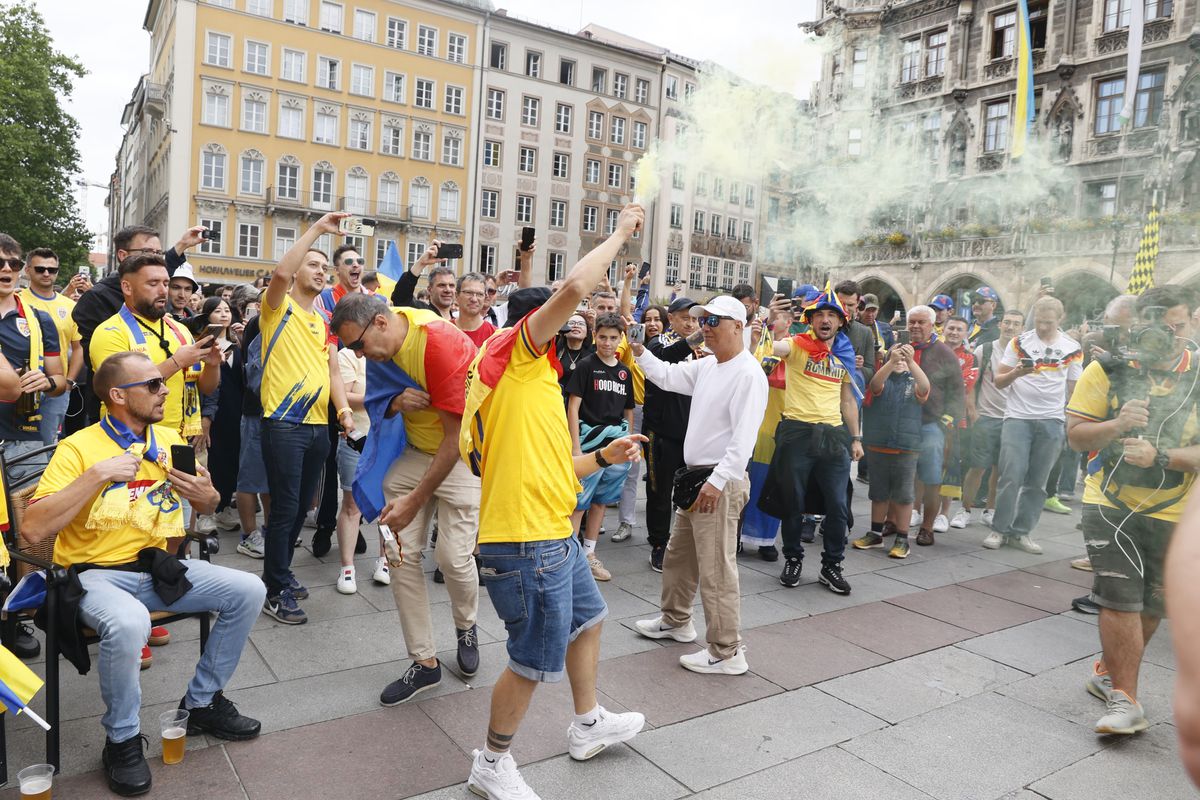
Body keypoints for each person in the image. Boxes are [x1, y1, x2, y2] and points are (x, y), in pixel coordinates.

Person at [459, 204, 647, 800]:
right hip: (524, 543)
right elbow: (575, 286)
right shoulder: (514, 356)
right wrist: (619, 233)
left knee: (588, 621)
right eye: (564, 323)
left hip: (551, 532)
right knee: (532, 660)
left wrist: (603, 458)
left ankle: (588, 724)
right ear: (532, 326)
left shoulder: (523, 379)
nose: (576, 327)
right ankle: (492, 762)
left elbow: (551, 468)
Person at [22, 351, 265, 797]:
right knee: (130, 620)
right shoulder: (80, 447)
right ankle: (121, 740)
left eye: (163, 383)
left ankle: (202, 703)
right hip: (95, 576)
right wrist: (95, 476)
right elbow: (33, 527)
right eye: (153, 385)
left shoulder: (168, 438)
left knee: (250, 588)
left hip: (159, 569)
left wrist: (206, 496)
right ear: (117, 395)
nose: (166, 390)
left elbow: (206, 507)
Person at [330, 290, 482, 704]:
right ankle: (425, 662)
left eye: (358, 345)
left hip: (462, 457)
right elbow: (380, 400)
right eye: (350, 349)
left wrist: (416, 499)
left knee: (454, 559)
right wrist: (395, 401)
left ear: (380, 322)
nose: (360, 356)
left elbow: (454, 440)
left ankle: (466, 626)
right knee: (399, 556)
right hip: (414, 454)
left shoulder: (437, 341)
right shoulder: (383, 341)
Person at [1067, 286, 1198, 736]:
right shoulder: (1107, 368)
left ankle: (1107, 670)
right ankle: (1126, 700)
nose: (1167, 335)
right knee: (1119, 596)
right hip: (1109, 501)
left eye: (1175, 326)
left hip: (1178, 509)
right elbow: (1076, 436)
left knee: (1153, 603)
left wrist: (1163, 457)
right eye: (1156, 325)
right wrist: (1118, 425)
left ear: (1191, 322)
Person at [632, 295, 768, 674]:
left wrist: (718, 482)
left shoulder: (748, 373)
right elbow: (666, 376)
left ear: (738, 326)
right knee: (679, 556)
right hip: (698, 479)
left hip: (717, 482)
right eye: (703, 321)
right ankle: (676, 621)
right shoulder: (709, 366)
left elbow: (743, 440)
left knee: (716, 569)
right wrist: (640, 349)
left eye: (714, 321)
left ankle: (727, 652)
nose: (705, 327)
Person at [258, 213, 355, 625]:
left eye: (323, 267)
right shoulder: (276, 308)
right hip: (284, 423)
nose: (320, 271)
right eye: (312, 265)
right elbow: (280, 272)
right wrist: (317, 230)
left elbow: (333, 372)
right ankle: (273, 589)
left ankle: (279, 572)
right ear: (296, 271)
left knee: (301, 508)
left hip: (319, 426)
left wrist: (345, 412)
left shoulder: (321, 321)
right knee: (284, 509)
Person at [759, 286, 863, 593]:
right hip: (796, 432)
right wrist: (770, 322)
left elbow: (848, 401)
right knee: (793, 502)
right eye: (820, 315)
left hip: (833, 435)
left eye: (832, 314)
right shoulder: (797, 344)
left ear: (842, 321)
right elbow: (771, 350)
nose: (825, 320)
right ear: (811, 320)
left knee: (838, 505)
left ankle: (832, 565)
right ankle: (793, 559)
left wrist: (856, 438)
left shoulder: (843, 354)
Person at [985, 296, 1082, 554]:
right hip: (1018, 418)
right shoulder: (1020, 343)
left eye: (1048, 323)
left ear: (1060, 319)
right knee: (1011, 475)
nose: (1042, 327)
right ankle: (999, 528)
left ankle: (1022, 532)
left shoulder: (1072, 347)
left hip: (1052, 420)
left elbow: (1074, 389)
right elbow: (999, 380)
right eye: (1039, 321)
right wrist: (1017, 372)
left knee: (1038, 482)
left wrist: (1069, 418)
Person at [566, 313, 636, 581]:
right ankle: (570, 557)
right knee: (579, 502)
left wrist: (629, 440)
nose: (607, 342)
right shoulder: (586, 365)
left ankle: (589, 554)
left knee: (602, 501)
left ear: (620, 340)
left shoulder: (623, 372)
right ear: (595, 336)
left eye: (613, 338)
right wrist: (575, 446)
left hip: (616, 444)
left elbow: (628, 410)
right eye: (603, 337)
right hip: (589, 443)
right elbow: (573, 406)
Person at [0, 235, 70, 481]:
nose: (7, 269)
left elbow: (59, 382)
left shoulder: (39, 319)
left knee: (25, 518)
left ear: (20, 270)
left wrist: (47, 383)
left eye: (13, 263)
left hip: (23, 439)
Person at [852, 337, 930, 555]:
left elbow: (925, 386)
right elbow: (875, 385)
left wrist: (912, 362)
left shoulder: (913, 383)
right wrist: (890, 361)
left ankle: (902, 538)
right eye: (895, 357)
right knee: (878, 493)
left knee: (904, 495)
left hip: (907, 448)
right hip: (878, 446)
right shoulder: (882, 380)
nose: (900, 360)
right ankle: (875, 534)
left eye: (903, 358)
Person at [949, 309, 1025, 529]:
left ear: (1022, 328)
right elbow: (972, 381)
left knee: (999, 469)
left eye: (1016, 324)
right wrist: (972, 409)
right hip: (987, 415)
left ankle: (990, 510)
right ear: (999, 324)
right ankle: (964, 509)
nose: (1010, 327)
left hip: (1013, 418)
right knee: (977, 466)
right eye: (1007, 322)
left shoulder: (1025, 353)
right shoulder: (987, 349)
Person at [905, 306, 965, 550]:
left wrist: (945, 422)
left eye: (921, 322)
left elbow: (957, 393)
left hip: (931, 425)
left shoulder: (944, 353)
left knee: (930, 478)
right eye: (912, 322)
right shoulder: (900, 350)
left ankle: (927, 527)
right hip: (902, 425)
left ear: (932, 325)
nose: (916, 327)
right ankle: (892, 521)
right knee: (900, 477)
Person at [330, 341, 388, 593]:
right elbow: (342, 396)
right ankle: (347, 567)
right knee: (352, 504)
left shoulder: (391, 351)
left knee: (388, 503)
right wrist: (386, 399)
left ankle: (386, 560)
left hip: (390, 438)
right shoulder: (346, 355)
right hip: (356, 437)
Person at [21, 247, 84, 445]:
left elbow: (79, 347)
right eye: (40, 269)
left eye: (52, 270)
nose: (46, 273)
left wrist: (69, 382)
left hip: (57, 388)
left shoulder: (70, 306)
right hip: (23, 386)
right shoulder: (17, 300)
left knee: (48, 443)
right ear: (27, 270)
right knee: (19, 442)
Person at [932, 316, 977, 533]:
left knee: (950, 466)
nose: (954, 332)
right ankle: (916, 510)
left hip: (954, 419)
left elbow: (963, 385)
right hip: (929, 415)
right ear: (944, 329)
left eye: (960, 329)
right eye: (951, 328)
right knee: (925, 465)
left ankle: (943, 514)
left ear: (966, 333)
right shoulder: (933, 350)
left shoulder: (969, 358)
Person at [456, 271, 498, 347]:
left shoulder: (495, 336)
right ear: (456, 296)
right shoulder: (444, 330)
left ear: (484, 297)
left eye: (479, 294)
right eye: (468, 292)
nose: (474, 299)